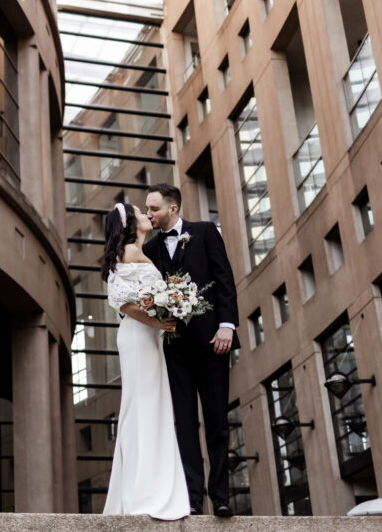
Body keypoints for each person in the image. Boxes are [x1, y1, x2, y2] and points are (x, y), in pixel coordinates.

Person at [143, 183, 239, 517]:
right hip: (174, 348)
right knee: (184, 424)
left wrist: (227, 325)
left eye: (153, 209)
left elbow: (224, 280)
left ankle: (222, 496)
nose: (149, 214)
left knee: (217, 421)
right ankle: (192, 499)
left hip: (213, 342)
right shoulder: (149, 249)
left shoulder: (205, 232)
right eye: (147, 209)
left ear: (172, 208)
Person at [101, 202, 190, 519]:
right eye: (140, 213)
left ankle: (144, 487)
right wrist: (157, 322)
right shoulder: (130, 252)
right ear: (130, 223)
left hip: (146, 338)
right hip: (139, 337)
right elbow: (123, 302)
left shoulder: (134, 252)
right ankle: (144, 491)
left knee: (148, 407)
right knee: (143, 407)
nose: (146, 216)